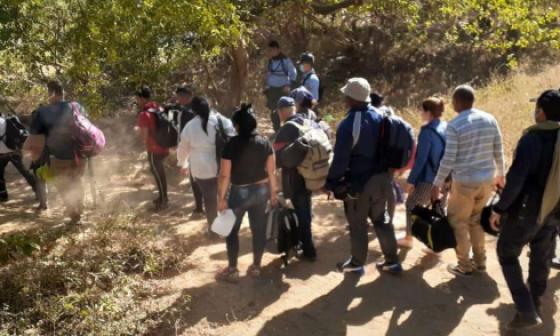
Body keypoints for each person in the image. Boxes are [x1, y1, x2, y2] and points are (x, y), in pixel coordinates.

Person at [489, 89, 560, 330]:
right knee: (542, 254)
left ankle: (526, 309)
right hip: (553, 209)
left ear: (541, 112)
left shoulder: (532, 139)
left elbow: (516, 179)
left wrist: (499, 208)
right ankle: (536, 298)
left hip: (527, 210)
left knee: (507, 253)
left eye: (537, 108)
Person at [326, 78, 402, 275]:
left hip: (360, 183)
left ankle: (357, 264)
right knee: (381, 219)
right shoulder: (382, 115)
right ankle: (392, 261)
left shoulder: (349, 124)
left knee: (358, 222)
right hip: (384, 179)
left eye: (346, 95)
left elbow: (341, 159)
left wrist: (332, 182)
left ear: (351, 99)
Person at [432, 85, 505, 277]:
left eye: (453, 101)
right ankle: (480, 262)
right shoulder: (490, 119)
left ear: (458, 102)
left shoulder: (455, 125)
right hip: (486, 181)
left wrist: (437, 183)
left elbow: (448, 159)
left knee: (458, 223)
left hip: (464, 183)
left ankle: (464, 265)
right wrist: (501, 175)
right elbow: (499, 149)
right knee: (476, 221)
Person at [216, 104, 278, 282]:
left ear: (237, 126)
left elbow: (224, 175)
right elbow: (271, 172)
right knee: (258, 230)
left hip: (239, 192)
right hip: (261, 190)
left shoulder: (231, 144)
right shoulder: (265, 142)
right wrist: (273, 194)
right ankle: (256, 266)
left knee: (231, 231)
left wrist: (221, 198)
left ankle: (233, 269)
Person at [25, 80, 85, 223]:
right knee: (77, 180)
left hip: (58, 156)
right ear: (63, 92)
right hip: (79, 154)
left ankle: (73, 213)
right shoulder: (77, 107)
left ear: (51, 93)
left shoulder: (43, 112)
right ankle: (80, 207)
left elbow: (34, 135)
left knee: (63, 184)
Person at [177, 96, 234, 229]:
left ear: (193, 110)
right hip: (223, 166)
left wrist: (183, 163)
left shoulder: (190, 126)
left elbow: (183, 148)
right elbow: (233, 137)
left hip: (201, 170)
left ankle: (214, 230)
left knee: (209, 200)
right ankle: (227, 228)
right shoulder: (221, 120)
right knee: (224, 196)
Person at [398, 97, 447, 249]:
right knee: (437, 208)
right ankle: (438, 241)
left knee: (411, 205)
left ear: (428, 112)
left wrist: (411, 181)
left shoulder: (427, 132)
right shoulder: (445, 126)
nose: (421, 113)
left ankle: (408, 237)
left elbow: (421, 160)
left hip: (429, 178)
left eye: (422, 110)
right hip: (445, 177)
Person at [273, 96, 317, 261]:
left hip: (293, 177)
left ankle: (307, 248)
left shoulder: (286, 129)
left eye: (278, 111)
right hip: (311, 175)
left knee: (298, 212)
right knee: (305, 209)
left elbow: (277, 158)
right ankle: (304, 244)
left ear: (283, 111)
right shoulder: (308, 122)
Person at [166, 84, 204, 216]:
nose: (177, 100)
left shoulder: (185, 112)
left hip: (193, 148)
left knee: (194, 179)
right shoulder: (199, 107)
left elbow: (183, 133)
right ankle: (206, 205)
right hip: (205, 147)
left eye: (178, 97)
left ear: (184, 97)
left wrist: (181, 150)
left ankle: (199, 207)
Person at [135, 86, 169, 211]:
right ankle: (161, 197)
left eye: (137, 99)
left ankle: (164, 200)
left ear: (142, 98)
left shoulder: (144, 114)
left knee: (158, 174)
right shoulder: (158, 108)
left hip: (154, 148)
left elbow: (143, 136)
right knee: (160, 173)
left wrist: (137, 132)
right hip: (164, 145)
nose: (137, 102)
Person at [0, 114, 37, 203]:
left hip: (3, 154)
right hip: (14, 151)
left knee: (0, 174)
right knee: (25, 172)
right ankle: (39, 191)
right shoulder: (4, 121)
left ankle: (3, 195)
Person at [264, 40, 297, 132]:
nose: (271, 52)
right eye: (270, 50)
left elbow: (293, 72)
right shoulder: (270, 61)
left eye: (273, 49)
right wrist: (266, 85)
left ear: (278, 50)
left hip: (283, 89)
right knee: (274, 111)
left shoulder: (285, 60)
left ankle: (288, 130)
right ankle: (277, 130)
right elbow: (268, 74)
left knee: (285, 110)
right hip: (272, 89)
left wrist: (289, 85)